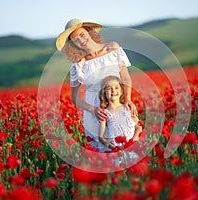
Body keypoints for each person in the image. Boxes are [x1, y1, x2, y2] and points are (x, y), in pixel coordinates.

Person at [56, 18, 137, 149]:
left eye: (82, 34)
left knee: (128, 147)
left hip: (118, 106)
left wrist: (128, 99)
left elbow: (126, 78)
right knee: (104, 154)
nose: (81, 40)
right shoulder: (78, 65)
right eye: (76, 39)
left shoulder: (113, 48)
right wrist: (93, 110)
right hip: (96, 114)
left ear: (89, 32)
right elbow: (74, 98)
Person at [98, 76, 142, 152]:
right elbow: (101, 137)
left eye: (116, 88)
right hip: (118, 150)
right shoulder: (105, 113)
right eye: (109, 88)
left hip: (133, 148)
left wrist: (134, 140)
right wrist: (115, 148)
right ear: (104, 92)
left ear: (121, 91)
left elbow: (139, 127)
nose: (113, 91)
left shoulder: (128, 108)